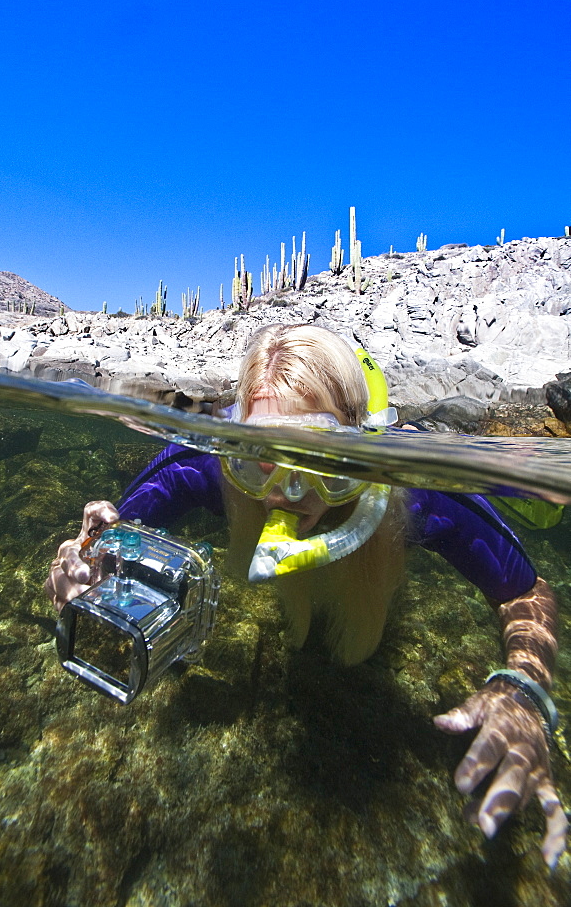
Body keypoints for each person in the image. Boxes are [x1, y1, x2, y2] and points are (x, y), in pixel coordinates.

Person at [46, 323, 568, 867]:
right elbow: (103, 536)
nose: (285, 494)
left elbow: (526, 592)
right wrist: (82, 561)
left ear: (355, 453)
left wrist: (525, 690)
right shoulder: (204, 463)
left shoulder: (418, 491)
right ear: (236, 450)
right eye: (261, 460)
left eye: (317, 458)